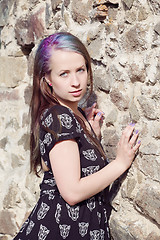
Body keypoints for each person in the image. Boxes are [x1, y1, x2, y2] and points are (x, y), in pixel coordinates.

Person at [13, 32, 141, 240]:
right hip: (62, 229)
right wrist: (120, 163)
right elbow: (71, 193)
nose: (75, 82)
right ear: (47, 78)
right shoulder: (59, 117)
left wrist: (88, 134)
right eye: (64, 73)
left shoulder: (70, 114)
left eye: (80, 70)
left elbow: (52, 165)